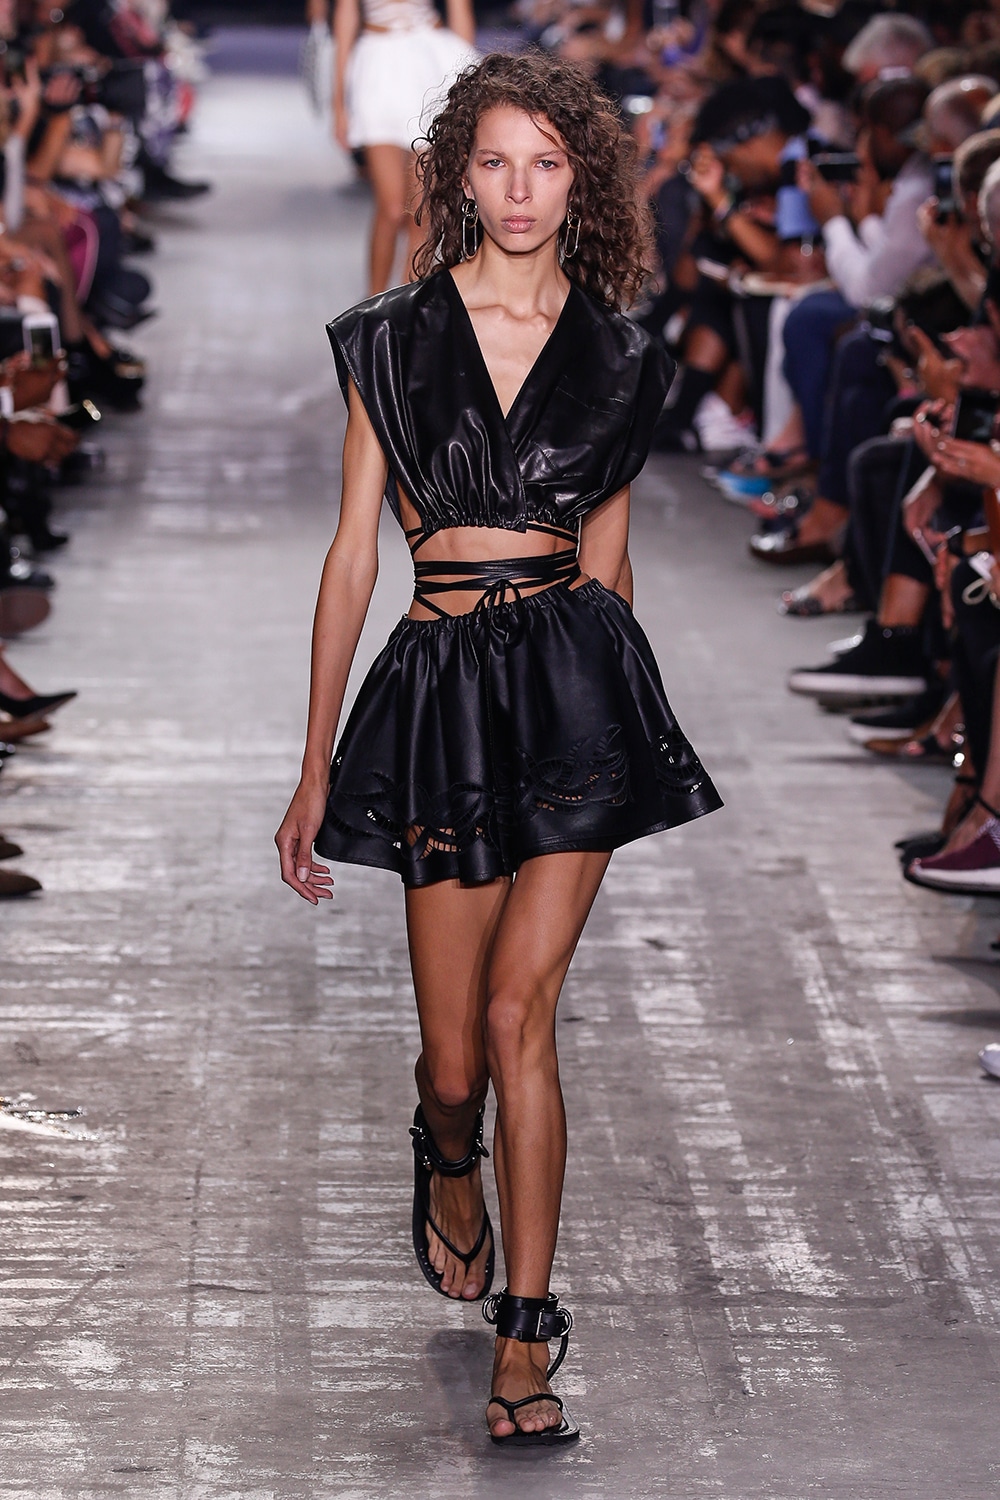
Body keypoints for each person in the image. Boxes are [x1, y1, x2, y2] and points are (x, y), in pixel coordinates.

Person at [276, 51, 722, 1445]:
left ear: (579, 181)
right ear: (458, 176)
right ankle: (444, 1145)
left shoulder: (624, 356)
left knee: (526, 1013)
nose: (520, 190)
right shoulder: (389, 338)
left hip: (576, 690)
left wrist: (628, 733)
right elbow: (352, 556)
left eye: (546, 163)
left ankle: (527, 1335)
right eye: (495, 162)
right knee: (456, 1052)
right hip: (441, 693)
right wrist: (314, 765)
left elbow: (614, 565)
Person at [328, 0, 478, 294]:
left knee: (421, 212)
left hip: (431, 66)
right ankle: (372, 304)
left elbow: (460, 8)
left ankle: (407, 309)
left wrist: (470, 91)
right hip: (377, 69)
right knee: (392, 207)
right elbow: (346, 17)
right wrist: (338, 103)